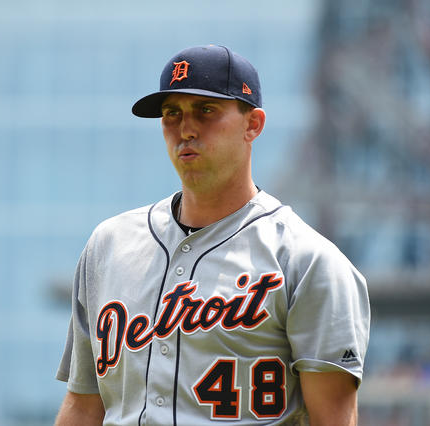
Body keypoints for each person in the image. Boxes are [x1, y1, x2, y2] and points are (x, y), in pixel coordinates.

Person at [55, 45, 370, 426]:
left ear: (252, 124)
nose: (186, 129)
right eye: (172, 114)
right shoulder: (109, 245)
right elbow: (84, 405)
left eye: (206, 111)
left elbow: (334, 419)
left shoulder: (306, 261)